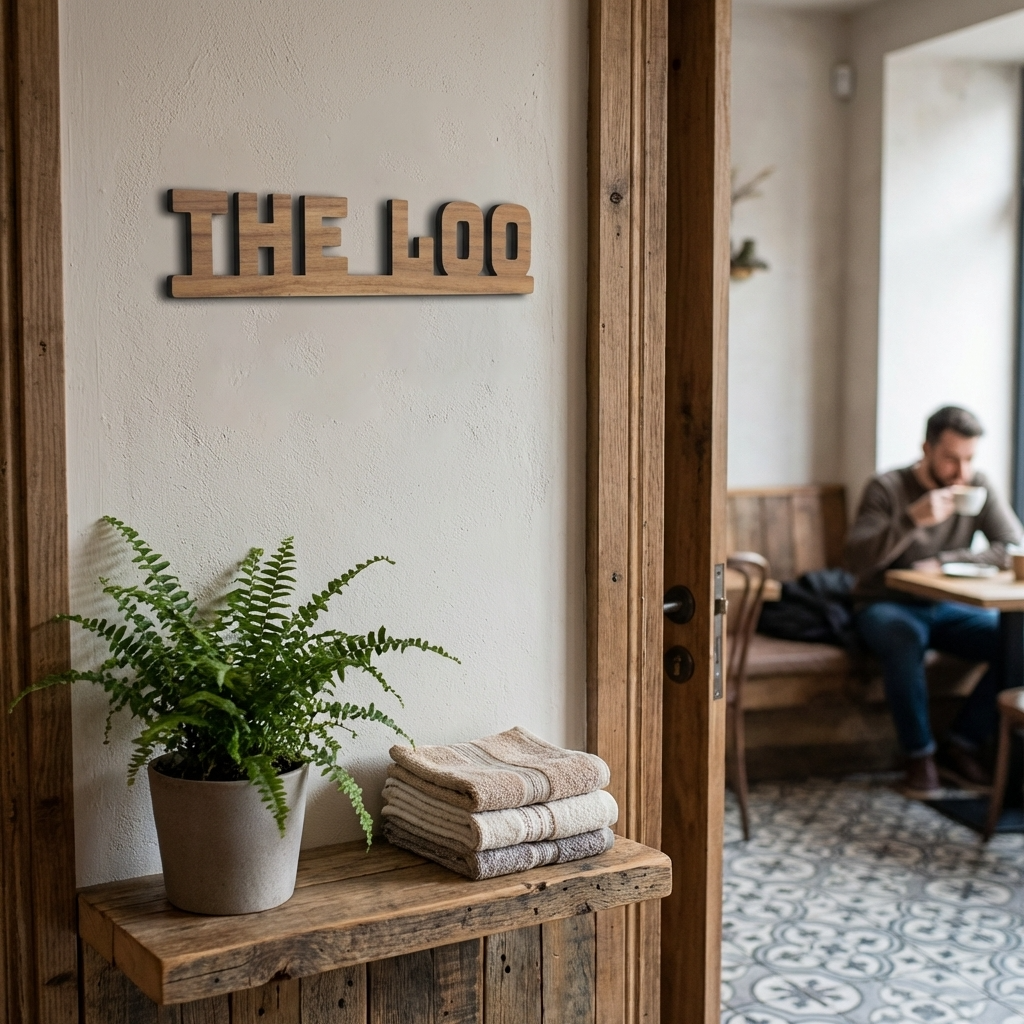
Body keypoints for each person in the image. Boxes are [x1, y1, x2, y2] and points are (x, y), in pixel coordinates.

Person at [846, 406, 1024, 799]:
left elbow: (1010, 546)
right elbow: (857, 560)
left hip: (945, 606)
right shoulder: (887, 487)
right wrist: (911, 520)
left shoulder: (977, 485)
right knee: (903, 636)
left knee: (1015, 642)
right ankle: (919, 757)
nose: (962, 472)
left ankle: (962, 742)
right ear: (926, 448)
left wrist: (945, 561)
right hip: (885, 602)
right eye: (951, 459)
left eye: (969, 459)